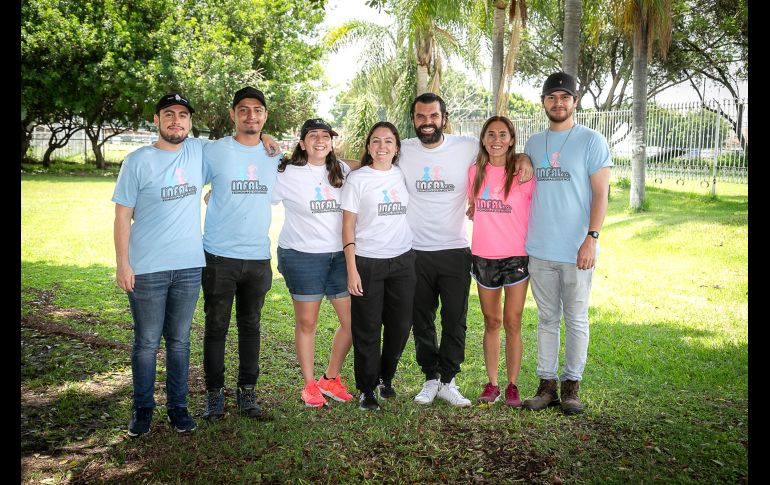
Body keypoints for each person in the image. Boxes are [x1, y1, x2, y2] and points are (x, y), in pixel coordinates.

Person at [398, 93, 533, 407]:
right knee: (422, 319)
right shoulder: (403, 149)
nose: (427, 122)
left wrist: (524, 158)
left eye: (433, 116)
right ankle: (431, 377)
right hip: (416, 249)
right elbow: (366, 160)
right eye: (420, 116)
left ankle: (449, 379)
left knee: (455, 319)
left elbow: (500, 148)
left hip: (457, 249)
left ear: (444, 118)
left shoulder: (467, 146)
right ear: (413, 119)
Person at [520, 72, 612, 415]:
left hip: (577, 248)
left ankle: (572, 387)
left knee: (575, 317)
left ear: (575, 102)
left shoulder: (591, 141)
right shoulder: (533, 142)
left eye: (564, 97)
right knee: (546, 318)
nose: (558, 103)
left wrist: (592, 238)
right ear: (543, 102)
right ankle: (546, 386)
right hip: (540, 247)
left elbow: (601, 193)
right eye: (551, 97)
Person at [113, 92, 204, 436]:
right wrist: (123, 264)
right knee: (147, 342)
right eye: (169, 114)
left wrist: (268, 138)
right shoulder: (137, 161)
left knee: (180, 341)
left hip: (189, 266)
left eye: (182, 115)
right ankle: (142, 409)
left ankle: (178, 407)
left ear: (190, 122)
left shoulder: (198, 151)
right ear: (156, 120)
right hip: (147, 267)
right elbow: (122, 216)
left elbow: (240, 145)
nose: (176, 121)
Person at [199, 86, 282, 420]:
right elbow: (186, 173)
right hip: (219, 256)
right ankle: (214, 395)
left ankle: (247, 394)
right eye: (244, 109)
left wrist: (269, 139)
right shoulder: (213, 151)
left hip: (258, 257)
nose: (251, 115)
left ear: (265, 116)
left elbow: (320, 161)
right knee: (215, 327)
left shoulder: (273, 154)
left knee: (251, 327)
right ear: (233, 114)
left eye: (258, 110)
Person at [272, 118, 356, 407]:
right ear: (302, 142)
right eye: (313, 135)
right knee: (307, 322)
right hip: (301, 255)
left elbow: (365, 166)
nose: (320, 140)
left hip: (339, 256)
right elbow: (258, 188)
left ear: (332, 141)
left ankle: (330, 378)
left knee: (352, 322)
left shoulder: (341, 170)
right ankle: (309, 385)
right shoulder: (286, 172)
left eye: (325, 135)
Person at [340, 121, 416, 411]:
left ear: (397, 147)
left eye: (388, 141)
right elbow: (348, 226)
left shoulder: (402, 174)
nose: (382, 147)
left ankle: (387, 376)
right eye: (376, 141)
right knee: (367, 328)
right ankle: (367, 389)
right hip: (367, 261)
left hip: (403, 261)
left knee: (399, 326)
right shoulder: (358, 180)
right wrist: (351, 268)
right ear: (368, 146)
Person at [466, 116, 534, 407]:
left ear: (511, 140)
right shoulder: (474, 172)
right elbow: (472, 206)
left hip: (516, 256)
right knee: (491, 321)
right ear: (483, 139)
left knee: (513, 321)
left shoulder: (522, 172)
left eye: (502, 135)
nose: (496, 140)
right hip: (483, 256)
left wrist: (525, 158)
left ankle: (512, 386)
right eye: (490, 134)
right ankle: (492, 383)